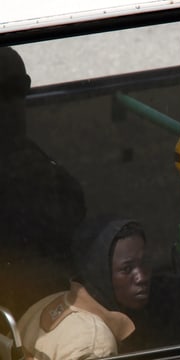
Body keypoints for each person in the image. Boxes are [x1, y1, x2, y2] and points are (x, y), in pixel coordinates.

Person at [0, 46, 86, 317]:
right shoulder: (31, 165)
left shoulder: (33, 162)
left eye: (19, 90)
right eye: (5, 93)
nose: (13, 104)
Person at [17, 218, 150, 359]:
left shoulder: (49, 303)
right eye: (127, 269)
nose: (142, 277)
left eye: (145, 262)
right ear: (100, 273)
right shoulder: (96, 346)